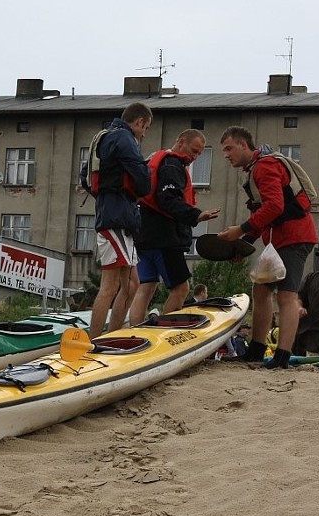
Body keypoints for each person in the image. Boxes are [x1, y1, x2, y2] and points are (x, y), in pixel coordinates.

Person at [217, 126, 318, 368]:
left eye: (229, 148)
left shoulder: (264, 166)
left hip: (293, 237)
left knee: (286, 296)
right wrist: (244, 245)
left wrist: (240, 231)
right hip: (279, 240)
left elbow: (275, 207)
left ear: (244, 145)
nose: (226, 154)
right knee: (261, 292)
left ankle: (282, 356)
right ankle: (257, 350)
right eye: (223, 151)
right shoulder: (256, 168)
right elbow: (264, 213)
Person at [129, 129, 221, 324]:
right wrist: (196, 214)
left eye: (198, 154)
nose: (194, 157)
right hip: (164, 238)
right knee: (181, 288)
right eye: (193, 151)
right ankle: (164, 332)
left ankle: (134, 330)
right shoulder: (173, 165)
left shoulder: (157, 160)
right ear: (180, 142)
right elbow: (167, 198)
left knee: (146, 286)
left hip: (143, 234)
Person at [79, 102, 152, 339]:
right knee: (110, 286)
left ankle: (112, 336)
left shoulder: (103, 138)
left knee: (132, 284)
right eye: (146, 128)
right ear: (139, 122)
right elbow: (142, 179)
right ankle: (96, 341)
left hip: (115, 216)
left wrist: (105, 197)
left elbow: (85, 177)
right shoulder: (125, 138)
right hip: (117, 219)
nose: (144, 133)